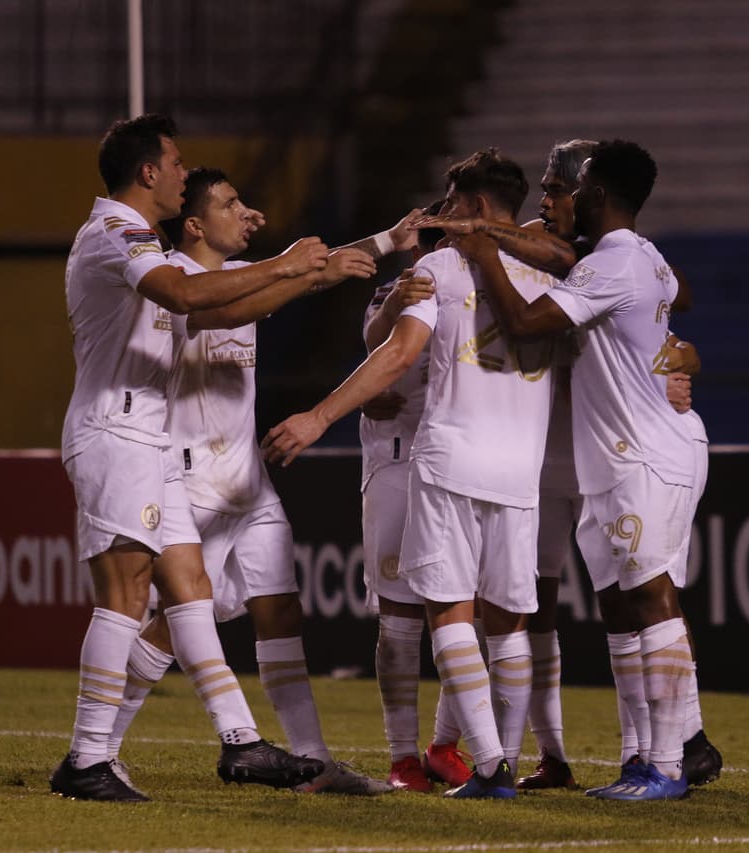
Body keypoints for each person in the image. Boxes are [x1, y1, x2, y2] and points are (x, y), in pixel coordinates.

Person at [99, 166, 412, 795]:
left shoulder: (233, 277)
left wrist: (388, 241)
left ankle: (313, 761)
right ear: (195, 224)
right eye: (230, 203)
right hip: (192, 479)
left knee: (280, 609)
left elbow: (290, 275)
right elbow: (247, 297)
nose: (246, 211)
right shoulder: (171, 284)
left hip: (248, 478)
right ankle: (98, 747)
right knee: (174, 623)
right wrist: (295, 272)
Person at [420, 139, 722, 790]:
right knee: (622, 603)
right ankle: (648, 755)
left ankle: (673, 755)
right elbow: (670, 306)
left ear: (598, 196)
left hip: (640, 449)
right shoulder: (627, 257)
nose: (562, 199)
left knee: (649, 594)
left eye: (573, 188)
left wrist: (480, 252)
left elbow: (529, 322)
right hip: (615, 454)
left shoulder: (609, 263)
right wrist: (666, 356)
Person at [52, 114, 336, 802]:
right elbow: (185, 294)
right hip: (116, 431)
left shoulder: (142, 241)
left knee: (191, 590)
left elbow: (212, 312)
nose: (185, 172)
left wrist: (297, 273)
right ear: (148, 172)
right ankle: (88, 756)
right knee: (124, 596)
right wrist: (285, 263)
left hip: (147, 440)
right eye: (177, 162)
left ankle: (239, 742)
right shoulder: (115, 231)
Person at [262, 148, 560, 800]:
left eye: (448, 207)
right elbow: (380, 339)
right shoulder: (541, 274)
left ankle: (474, 758)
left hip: (448, 456)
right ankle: (436, 755)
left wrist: (318, 416)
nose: (437, 218)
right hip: (476, 466)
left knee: (451, 613)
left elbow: (396, 355)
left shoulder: (446, 269)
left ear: (475, 209)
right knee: (476, 619)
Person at [358, 203, 476, 792]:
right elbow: (377, 343)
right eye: (428, 245)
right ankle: (403, 755)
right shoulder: (393, 294)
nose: (431, 258)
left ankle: (443, 746)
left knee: (467, 613)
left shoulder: (481, 291)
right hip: (399, 463)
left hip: (461, 464)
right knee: (401, 621)